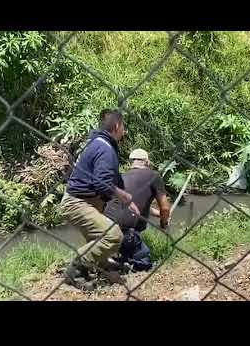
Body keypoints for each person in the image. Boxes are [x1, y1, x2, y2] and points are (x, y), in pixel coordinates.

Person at [60, 109, 140, 291]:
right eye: (124, 126)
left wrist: (128, 201)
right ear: (117, 125)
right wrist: (125, 196)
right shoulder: (104, 148)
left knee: (100, 240)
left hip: (86, 201)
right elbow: (102, 184)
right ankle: (74, 271)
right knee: (113, 236)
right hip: (78, 203)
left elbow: (115, 178)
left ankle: (96, 268)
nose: (124, 131)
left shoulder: (102, 144)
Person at [103, 148, 171, 272]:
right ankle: (127, 263)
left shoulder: (121, 177)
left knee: (124, 253)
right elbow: (165, 207)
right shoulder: (154, 176)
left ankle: (116, 259)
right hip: (127, 231)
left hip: (105, 227)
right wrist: (163, 222)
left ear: (131, 163)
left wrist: (157, 214)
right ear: (147, 162)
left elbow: (133, 203)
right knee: (144, 263)